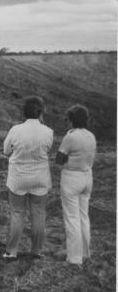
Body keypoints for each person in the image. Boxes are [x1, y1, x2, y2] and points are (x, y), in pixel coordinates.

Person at [3, 96, 53, 259]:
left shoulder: (15, 130)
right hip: (40, 179)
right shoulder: (48, 132)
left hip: (18, 178)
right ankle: (37, 251)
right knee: (38, 214)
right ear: (41, 112)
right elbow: (48, 150)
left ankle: (11, 252)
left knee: (17, 213)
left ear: (24, 113)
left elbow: (6, 151)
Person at [56, 105, 96, 265]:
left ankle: (74, 258)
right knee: (83, 216)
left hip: (71, 178)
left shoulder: (70, 137)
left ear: (71, 120)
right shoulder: (91, 136)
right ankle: (85, 253)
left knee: (72, 219)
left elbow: (59, 159)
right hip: (87, 177)